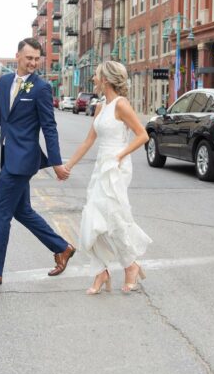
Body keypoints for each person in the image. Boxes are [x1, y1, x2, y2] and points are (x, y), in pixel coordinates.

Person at [0, 38, 74, 288]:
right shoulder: (3, 83)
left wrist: (56, 162)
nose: (33, 63)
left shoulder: (41, 88)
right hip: (8, 156)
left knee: (0, 213)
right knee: (22, 211)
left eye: (37, 58)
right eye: (29, 58)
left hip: (23, 161)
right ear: (18, 57)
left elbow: (49, 127)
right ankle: (62, 247)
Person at [64, 60, 152, 295]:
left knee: (114, 219)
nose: (93, 79)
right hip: (102, 167)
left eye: (95, 75)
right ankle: (101, 271)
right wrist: (69, 165)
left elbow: (142, 136)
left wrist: (120, 155)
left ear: (106, 79)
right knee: (92, 219)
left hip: (117, 167)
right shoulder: (101, 106)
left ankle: (130, 266)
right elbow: (88, 140)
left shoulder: (121, 105)